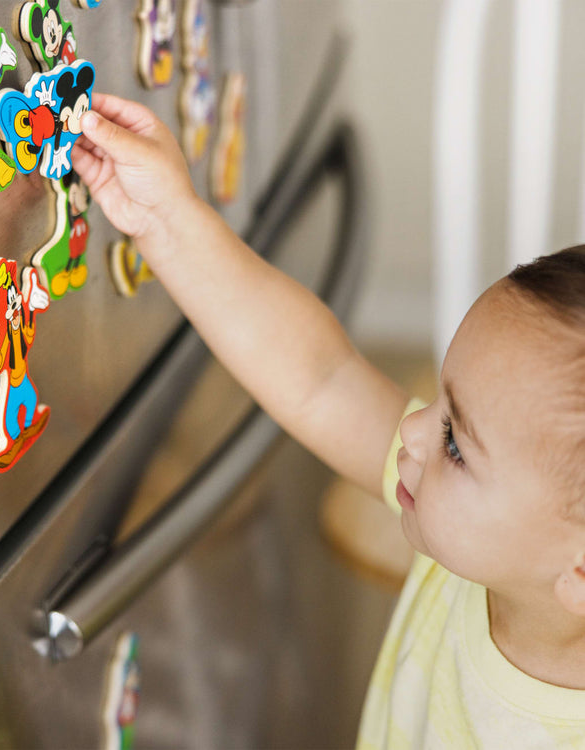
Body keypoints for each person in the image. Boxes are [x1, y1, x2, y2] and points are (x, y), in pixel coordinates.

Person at [72, 93, 585, 747]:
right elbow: (319, 377)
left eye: (457, 444)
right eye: (443, 406)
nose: (417, 430)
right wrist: (167, 218)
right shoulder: (484, 544)